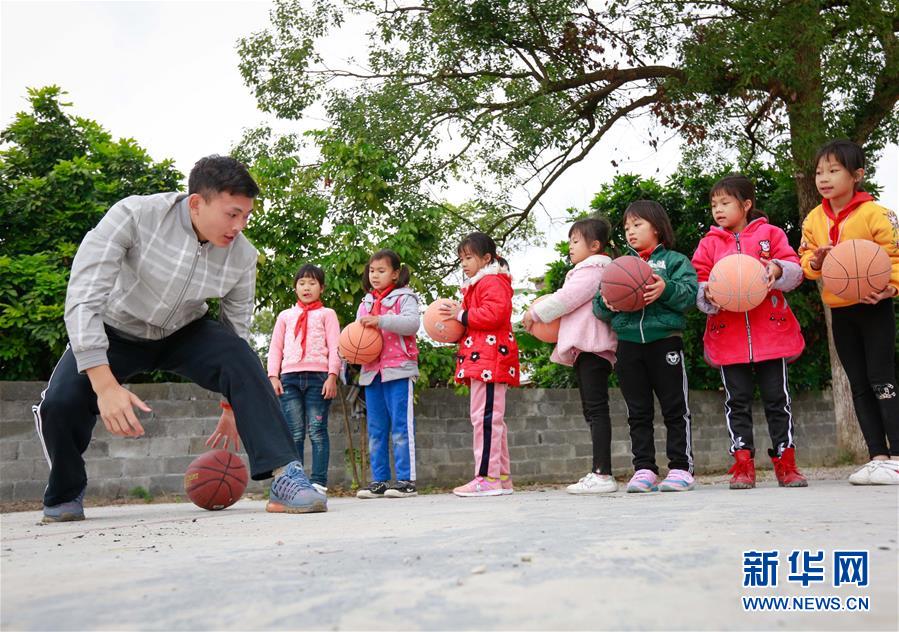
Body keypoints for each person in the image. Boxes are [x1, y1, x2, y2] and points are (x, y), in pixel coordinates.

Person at [32, 155, 326, 521]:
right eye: (232, 214)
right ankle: (64, 493)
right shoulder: (134, 216)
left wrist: (232, 405)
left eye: (246, 216)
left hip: (185, 332)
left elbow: (236, 331)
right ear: (197, 203)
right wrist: (105, 386)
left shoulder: (242, 256)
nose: (239, 226)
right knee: (59, 403)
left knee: (239, 355)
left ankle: (287, 476)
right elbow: (84, 299)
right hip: (116, 329)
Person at [692, 175, 807, 489]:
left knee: (777, 400)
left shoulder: (771, 234)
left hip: (771, 334)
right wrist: (708, 294)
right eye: (714, 204)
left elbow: (794, 269)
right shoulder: (709, 243)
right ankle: (743, 463)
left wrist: (778, 269)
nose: (718, 209)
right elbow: (698, 280)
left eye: (725, 203)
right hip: (728, 337)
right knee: (736, 401)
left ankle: (787, 462)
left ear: (746, 204)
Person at [798, 139, 899, 485]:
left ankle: (897, 454)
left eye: (833, 170)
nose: (824, 178)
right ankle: (877, 456)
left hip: (875, 306)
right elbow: (806, 262)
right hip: (841, 310)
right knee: (858, 383)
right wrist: (816, 261)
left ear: (857, 175)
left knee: (882, 379)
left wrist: (891, 287)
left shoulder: (878, 215)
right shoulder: (813, 219)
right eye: (819, 172)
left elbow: (896, 258)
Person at [594, 200, 698, 493]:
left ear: (657, 227)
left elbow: (691, 296)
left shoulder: (674, 261)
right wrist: (608, 302)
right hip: (628, 345)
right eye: (627, 227)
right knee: (637, 411)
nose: (631, 231)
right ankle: (644, 469)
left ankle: (681, 468)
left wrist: (667, 288)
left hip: (665, 342)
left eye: (637, 224)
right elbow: (599, 307)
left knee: (675, 408)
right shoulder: (618, 267)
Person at [523, 218, 619, 494]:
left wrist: (534, 314)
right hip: (586, 348)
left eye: (575, 241)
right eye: (570, 241)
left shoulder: (593, 269)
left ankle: (603, 473)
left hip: (593, 347)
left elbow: (567, 298)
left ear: (595, 246)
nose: (570, 247)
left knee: (597, 410)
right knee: (592, 411)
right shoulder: (589, 268)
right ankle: (598, 471)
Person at [441, 232, 519, 497]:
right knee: (489, 418)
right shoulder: (479, 284)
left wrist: (461, 315)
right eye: (461, 258)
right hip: (484, 358)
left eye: (469, 257)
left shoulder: (492, 281)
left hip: (490, 359)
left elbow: (495, 315)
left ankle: (487, 477)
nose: (463, 263)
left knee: (485, 419)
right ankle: (502, 477)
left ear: (486, 258)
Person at [267, 264, 341, 495]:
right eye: (302, 283)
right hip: (289, 379)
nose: (306, 287)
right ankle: (295, 483)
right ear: (295, 288)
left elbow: (336, 346)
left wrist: (332, 376)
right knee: (294, 433)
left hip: (318, 378)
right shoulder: (286, 316)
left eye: (312, 283)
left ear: (322, 288)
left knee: (317, 431)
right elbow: (276, 347)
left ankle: (318, 482)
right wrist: (273, 376)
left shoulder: (327, 314)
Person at [353, 249, 422, 499]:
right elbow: (356, 337)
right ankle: (379, 480)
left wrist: (381, 320)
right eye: (372, 270)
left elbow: (412, 324)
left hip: (399, 370)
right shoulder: (365, 303)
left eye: (381, 270)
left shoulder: (406, 298)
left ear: (395, 273)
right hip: (372, 372)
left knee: (401, 427)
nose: (375, 275)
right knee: (376, 428)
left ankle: (406, 481)